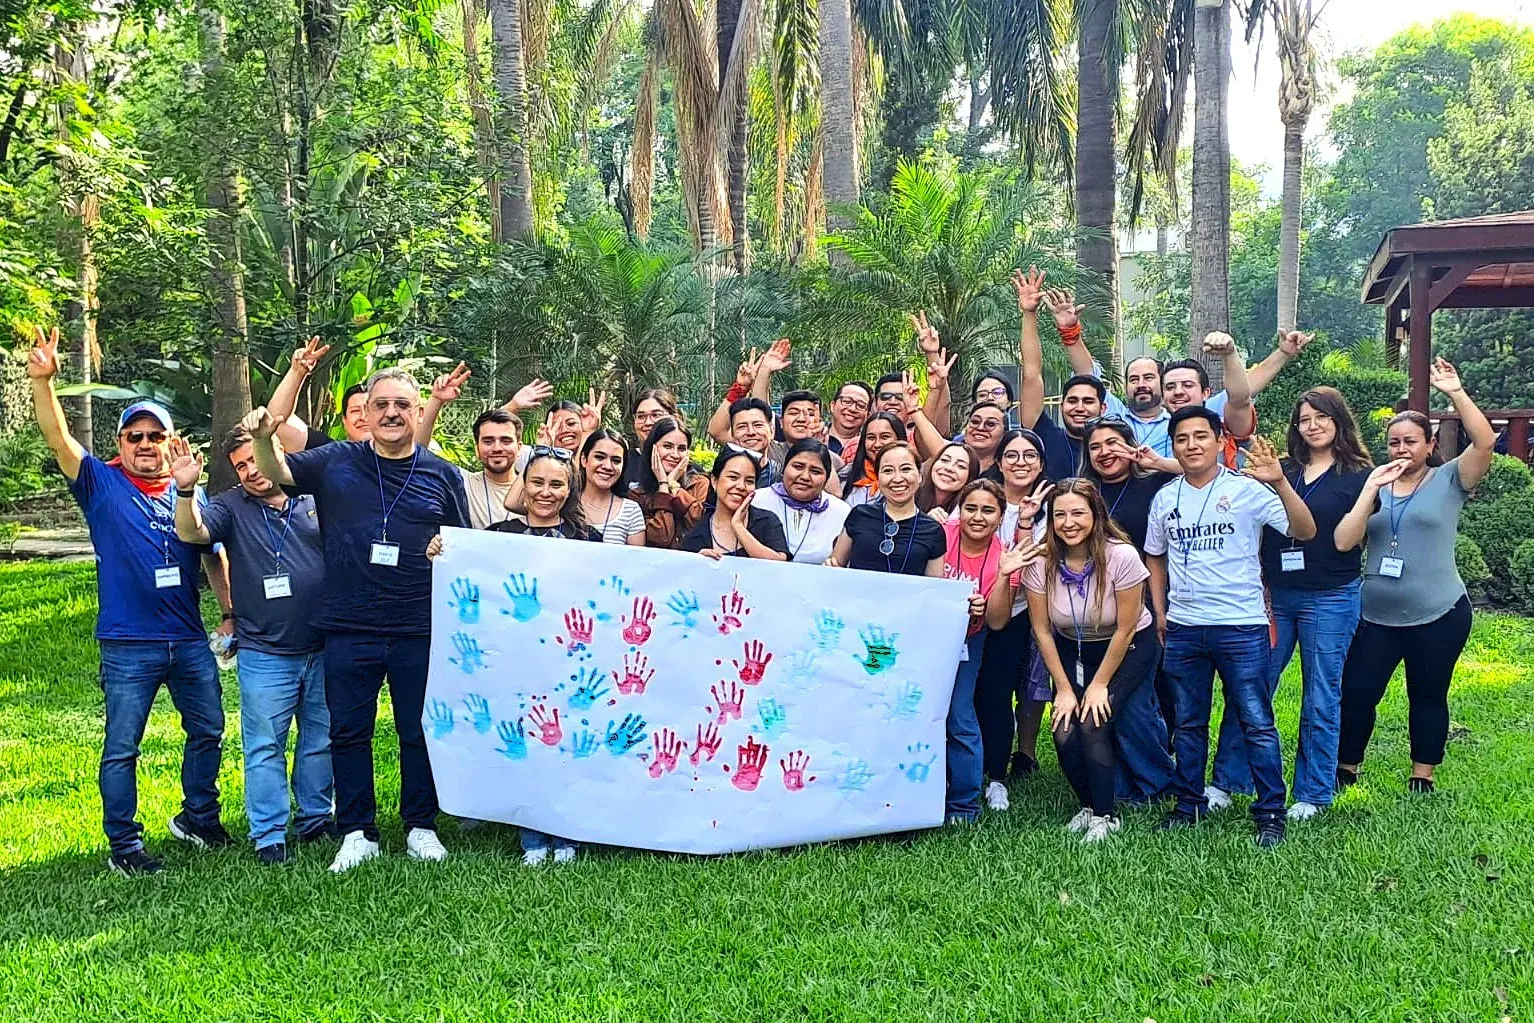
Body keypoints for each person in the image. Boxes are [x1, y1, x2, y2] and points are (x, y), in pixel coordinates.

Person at [246, 367, 470, 873]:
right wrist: (262, 439)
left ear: (418, 413)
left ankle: (420, 825)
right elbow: (278, 471)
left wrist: (445, 549)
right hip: (349, 625)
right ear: (365, 414)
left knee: (418, 730)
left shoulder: (442, 474)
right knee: (348, 731)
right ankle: (357, 831)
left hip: (418, 625)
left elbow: (464, 544)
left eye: (402, 406)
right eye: (382, 405)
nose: (392, 413)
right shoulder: (336, 461)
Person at [27, 327, 234, 876]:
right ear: (120, 443)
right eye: (134, 436)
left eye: (154, 436)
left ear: (169, 441)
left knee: (209, 729)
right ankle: (125, 844)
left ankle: (198, 818)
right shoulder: (99, 483)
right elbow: (58, 440)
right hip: (128, 645)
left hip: (188, 640)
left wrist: (230, 613)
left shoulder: (189, 487)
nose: (145, 444)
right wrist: (44, 383)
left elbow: (212, 554)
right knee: (123, 748)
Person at [1144, 408, 1317, 847]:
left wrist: (1278, 482)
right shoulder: (1165, 498)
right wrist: (1161, 612)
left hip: (1241, 626)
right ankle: (1189, 803)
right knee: (1187, 722)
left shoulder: (1246, 491)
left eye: (1201, 436)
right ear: (1174, 445)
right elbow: (1155, 556)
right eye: (1181, 438)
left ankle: (1270, 810)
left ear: (1221, 440)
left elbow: (1305, 529)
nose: (1191, 445)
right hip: (1184, 628)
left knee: (1256, 721)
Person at [1206, 387, 1373, 819]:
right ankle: (1228, 779)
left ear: (1339, 421)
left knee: (1321, 694)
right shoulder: (1280, 468)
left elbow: (1341, 535)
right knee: (1251, 685)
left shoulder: (1359, 474)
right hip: (1274, 596)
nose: (1312, 425)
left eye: (1321, 417)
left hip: (1331, 597)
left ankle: (1313, 792)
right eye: (1304, 419)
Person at [171, 428, 332, 865]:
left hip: (324, 647)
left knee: (319, 740)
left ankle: (316, 819)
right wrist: (186, 490)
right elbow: (193, 533)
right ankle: (269, 835)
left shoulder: (315, 497)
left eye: (253, 460)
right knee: (265, 746)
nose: (249, 472)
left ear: (274, 453)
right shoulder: (230, 507)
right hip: (265, 653)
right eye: (240, 466)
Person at [428, 447, 595, 865]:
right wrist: (442, 552)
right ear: (523, 485)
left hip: (569, 664)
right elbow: (467, 569)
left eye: (556, 484)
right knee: (525, 746)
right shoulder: (498, 535)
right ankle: (533, 837)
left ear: (569, 488)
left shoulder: (588, 540)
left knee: (566, 746)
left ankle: (569, 833)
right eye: (536, 482)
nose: (545, 492)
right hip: (516, 666)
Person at [1335, 358, 1495, 794]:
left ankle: (1422, 774)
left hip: (1439, 611)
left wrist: (1455, 392)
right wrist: (1370, 488)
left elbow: (1484, 442)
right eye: (1393, 442)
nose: (1401, 449)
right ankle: (1347, 766)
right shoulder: (1373, 483)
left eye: (1410, 441)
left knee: (1427, 694)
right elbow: (1345, 541)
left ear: (1428, 445)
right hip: (1376, 616)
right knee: (1358, 692)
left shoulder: (1449, 479)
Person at [1023, 479, 1159, 842]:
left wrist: (1098, 685)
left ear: (1096, 514)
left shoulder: (1122, 556)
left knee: (1092, 722)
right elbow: (1042, 630)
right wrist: (1064, 689)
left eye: (1078, 513)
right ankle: (1088, 805)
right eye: (1059, 514)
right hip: (1071, 647)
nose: (1069, 522)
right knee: (1064, 726)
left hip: (1127, 645)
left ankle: (1106, 816)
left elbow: (1127, 629)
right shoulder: (1041, 562)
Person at [1077, 418, 1176, 805]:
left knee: (1135, 703)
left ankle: (1156, 781)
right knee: (1102, 700)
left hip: (1141, 608)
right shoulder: (1084, 493)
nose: (1105, 452)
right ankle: (1116, 783)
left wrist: (1155, 463)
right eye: (1096, 446)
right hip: (1088, 612)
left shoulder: (1154, 485)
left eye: (1114, 443)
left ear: (1132, 446)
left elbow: (1207, 470)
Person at [975, 428, 1053, 807]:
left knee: (1028, 687)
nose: (1020, 463)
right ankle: (984, 764)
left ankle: (1018, 760)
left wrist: (1029, 520)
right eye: (1012, 455)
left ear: (1041, 464)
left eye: (1029, 456)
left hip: (1031, 609)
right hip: (981, 611)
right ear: (999, 462)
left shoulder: (1055, 506)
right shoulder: (981, 501)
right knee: (989, 690)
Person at [940, 480, 1021, 824]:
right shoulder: (941, 533)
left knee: (959, 715)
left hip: (967, 642)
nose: (977, 516)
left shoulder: (1006, 558)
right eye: (970, 508)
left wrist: (1000, 582)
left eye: (988, 510)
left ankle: (965, 803)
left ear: (1001, 516)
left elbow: (999, 622)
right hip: (924, 637)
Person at [831, 443, 947, 576]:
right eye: (888, 471)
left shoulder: (933, 531)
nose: (897, 479)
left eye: (905, 469)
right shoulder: (859, 515)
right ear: (878, 479)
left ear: (919, 476)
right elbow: (836, 565)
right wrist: (829, 567)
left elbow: (934, 589)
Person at [750, 439, 852, 564]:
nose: (804, 477)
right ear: (784, 469)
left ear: (826, 478)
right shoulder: (756, 500)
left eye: (815, 471)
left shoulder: (842, 512)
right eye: (798, 467)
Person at [680, 447, 791, 560]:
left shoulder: (767, 521)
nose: (741, 486)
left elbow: (780, 563)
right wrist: (697, 562)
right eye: (733, 477)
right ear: (714, 481)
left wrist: (738, 526)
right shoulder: (697, 535)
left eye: (749, 481)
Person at [630, 418, 712, 549]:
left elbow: (700, 527)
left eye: (681, 448)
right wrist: (663, 486)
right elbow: (660, 538)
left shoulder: (700, 484)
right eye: (667, 446)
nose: (675, 454)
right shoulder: (637, 494)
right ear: (653, 449)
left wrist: (673, 485)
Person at [574, 428, 646, 545]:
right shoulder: (565, 503)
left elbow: (636, 562)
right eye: (600, 457)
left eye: (616, 460)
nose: (608, 466)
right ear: (584, 459)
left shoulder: (631, 511)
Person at [461, 409, 524, 529]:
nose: (497, 448)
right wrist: (436, 401)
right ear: (477, 449)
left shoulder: (536, 490)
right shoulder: (463, 482)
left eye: (506, 441)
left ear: (519, 448)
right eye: (488, 441)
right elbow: (419, 457)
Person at [840, 412, 908, 508]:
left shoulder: (911, 478)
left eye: (885, 437)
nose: (877, 444)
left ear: (899, 439)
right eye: (871, 438)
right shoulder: (845, 476)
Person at [624, 387, 684, 489]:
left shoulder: (693, 474)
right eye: (641, 416)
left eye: (656, 415)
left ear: (674, 418)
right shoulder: (622, 462)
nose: (648, 422)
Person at [915, 443, 979, 522]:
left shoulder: (969, 513)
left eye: (960, 466)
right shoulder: (910, 496)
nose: (949, 468)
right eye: (944, 460)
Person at [827, 381, 873, 457]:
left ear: (868, 415)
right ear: (833, 406)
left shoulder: (870, 446)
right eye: (847, 401)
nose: (852, 409)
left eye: (861, 405)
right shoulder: (815, 436)